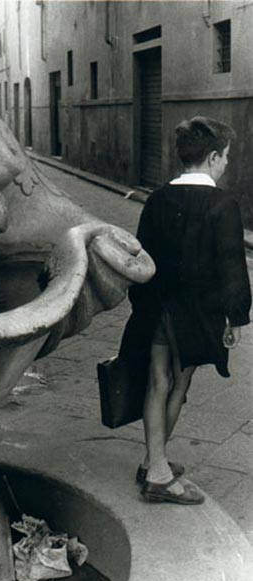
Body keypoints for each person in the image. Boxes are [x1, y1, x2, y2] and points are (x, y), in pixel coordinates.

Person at [121, 116, 251, 505]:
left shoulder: (157, 199)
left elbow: (139, 259)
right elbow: (232, 266)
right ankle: (158, 472)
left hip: (157, 309)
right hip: (196, 314)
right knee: (178, 383)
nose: (227, 163)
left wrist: (143, 307)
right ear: (212, 157)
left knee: (157, 382)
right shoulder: (223, 204)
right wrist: (237, 316)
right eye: (225, 156)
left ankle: (152, 461)